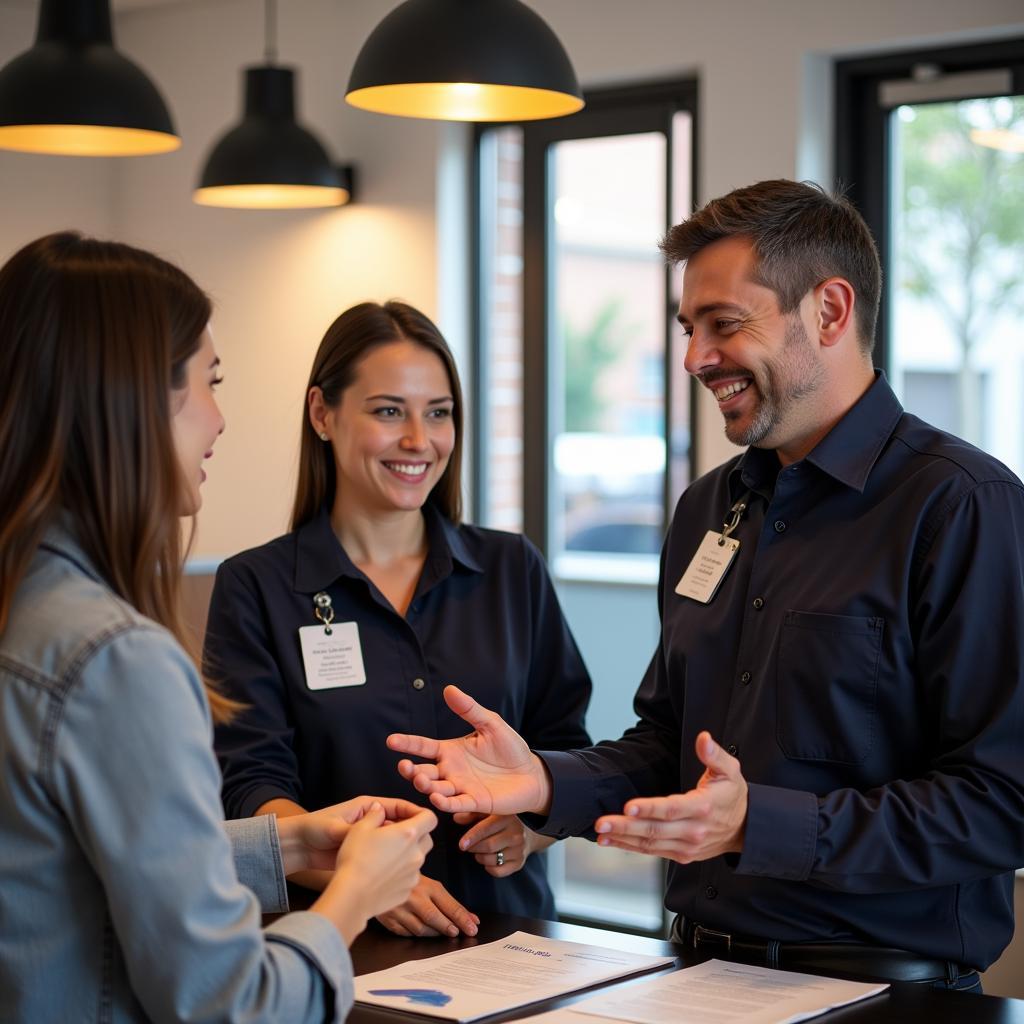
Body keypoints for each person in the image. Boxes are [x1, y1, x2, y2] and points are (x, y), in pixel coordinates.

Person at [387, 180, 1024, 990]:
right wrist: (548, 781)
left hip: (882, 993)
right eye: (689, 330)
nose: (694, 359)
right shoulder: (708, 509)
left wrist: (760, 823)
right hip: (693, 977)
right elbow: (667, 744)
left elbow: (1005, 800)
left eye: (725, 324)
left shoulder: (963, 506)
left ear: (830, 311)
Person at [0, 232, 436, 1023]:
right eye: (210, 382)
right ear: (130, 396)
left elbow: (57, 865)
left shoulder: (24, 609)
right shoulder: (114, 659)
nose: (220, 419)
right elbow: (232, 1004)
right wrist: (353, 898)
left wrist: (293, 847)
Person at [206, 300, 592, 939]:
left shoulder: (510, 568)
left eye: (438, 413)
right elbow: (248, 788)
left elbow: (566, 752)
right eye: (389, 411)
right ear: (322, 414)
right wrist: (365, 878)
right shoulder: (256, 586)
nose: (419, 440)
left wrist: (532, 827)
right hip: (338, 950)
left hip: (511, 944)